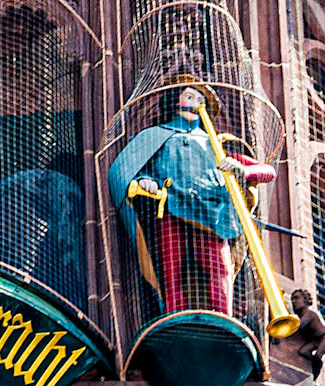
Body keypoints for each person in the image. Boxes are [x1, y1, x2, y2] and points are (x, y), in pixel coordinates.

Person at [108, 81, 275, 318]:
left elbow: (267, 171)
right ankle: (172, 315)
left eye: (200, 101)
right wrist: (146, 179)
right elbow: (133, 168)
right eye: (189, 97)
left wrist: (242, 170)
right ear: (176, 101)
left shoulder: (218, 145)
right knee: (170, 267)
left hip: (212, 214)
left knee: (219, 268)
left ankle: (222, 317)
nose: (194, 105)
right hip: (171, 208)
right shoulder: (158, 135)